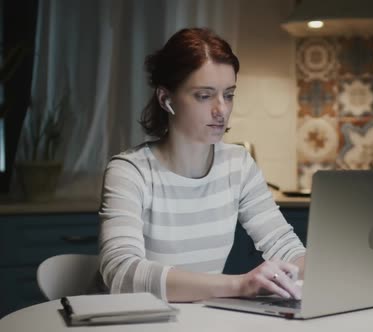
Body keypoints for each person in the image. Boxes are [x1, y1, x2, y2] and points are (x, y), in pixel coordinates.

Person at [98, 27, 306, 303]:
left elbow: (285, 247)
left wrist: (329, 271)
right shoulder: (130, 171)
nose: (221, 110)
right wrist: (239, 285)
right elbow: (122, 272)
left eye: (229, 94)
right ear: (166, 99)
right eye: (204, 96)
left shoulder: (238, 165)